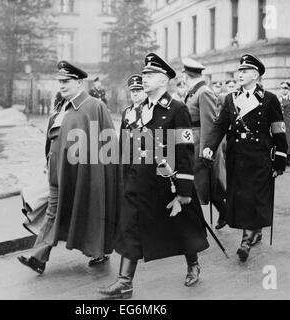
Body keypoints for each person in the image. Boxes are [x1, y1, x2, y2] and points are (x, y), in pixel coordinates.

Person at [99, 53, 209, 299]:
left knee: (182, 227)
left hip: (166, 183)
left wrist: (183, 191)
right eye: (145, 74)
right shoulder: (140, 110)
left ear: (163, 80)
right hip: (139, 181)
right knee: (130, 227)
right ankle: (124, 282)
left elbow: (184, 151)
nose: (145, 78)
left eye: (150, 75)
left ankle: (192, 263)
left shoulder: (177, 109)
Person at [18, 61, 120, 274]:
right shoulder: (61, 107)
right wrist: (48, 164)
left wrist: (98, 175)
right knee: (52, 214)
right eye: (60, 82)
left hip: (84, 174)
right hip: (58, 174)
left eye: (66, 81)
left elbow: (108, 143)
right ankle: (38, 258)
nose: (62, 86)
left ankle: (99, 251)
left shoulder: (94, 106)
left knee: (92, 210)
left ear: (79, 82)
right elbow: (52, 140)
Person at [203, 53, 288, 262]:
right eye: (239, 71)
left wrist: (279, 160)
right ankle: (254, 230)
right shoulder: (231, 98)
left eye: (244, 71)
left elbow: (278, 131)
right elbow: (220, 125)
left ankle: (245, 241)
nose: (239, 74)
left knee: (254, 197)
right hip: (237, 155)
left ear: (256, 74)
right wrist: (209, 147)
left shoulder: (269, 99)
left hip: (259, 157)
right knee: (241, 197)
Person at [183, 58, 228, 230]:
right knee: (203, 184)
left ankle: (200, 223)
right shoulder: (194, 92)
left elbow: (209, 124)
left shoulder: (204, 92)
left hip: (199, 146)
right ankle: (223, 212)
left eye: (184, 77)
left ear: (187, 76)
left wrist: (206, 150)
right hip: (191, 143)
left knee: (201, 185)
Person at [120, 74, 147, 182]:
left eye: (138, 90)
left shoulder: (151, 111)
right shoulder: (126, 112)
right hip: (128, 160)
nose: (135, 93)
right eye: (133, 91)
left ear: (145, 91)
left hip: (144, 160)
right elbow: (123, 139)